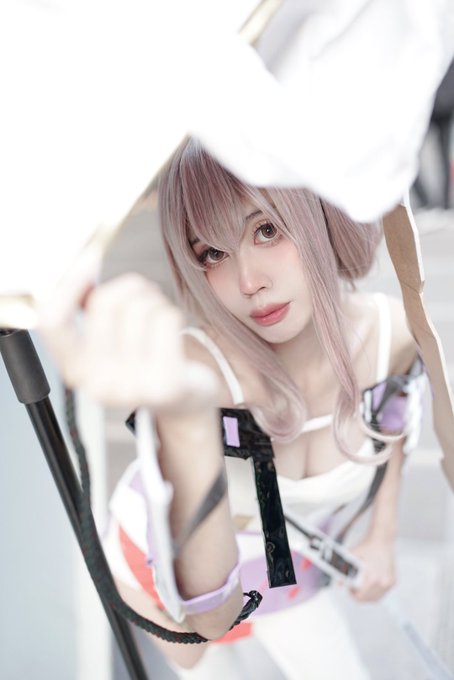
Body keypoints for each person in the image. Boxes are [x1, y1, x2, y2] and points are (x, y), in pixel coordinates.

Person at [38, 138, 425, 679]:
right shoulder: (203, 371)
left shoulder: (394, 336)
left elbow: (393, 424)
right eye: (212, 254)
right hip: (162, 560)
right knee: (202, 657)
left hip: (284, 562)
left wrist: (382, 536)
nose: (249, 282)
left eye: (266, 229)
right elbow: (211, 618)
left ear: (320, 209)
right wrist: (185, 417)